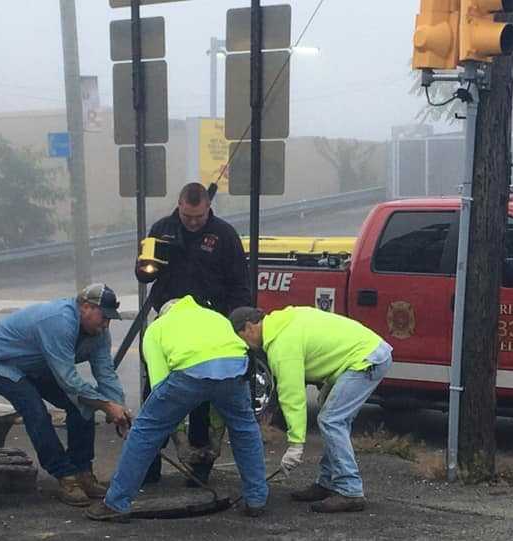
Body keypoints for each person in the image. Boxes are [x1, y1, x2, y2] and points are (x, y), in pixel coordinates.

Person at [85, 296, 268, 521]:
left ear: (163, 314)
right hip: (235, 368)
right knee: (245, 428)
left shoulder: (157, 328)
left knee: (145, 431)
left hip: (189, 372)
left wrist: (176, 436)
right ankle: (256, 499)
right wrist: (216, 434)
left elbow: (160, 385)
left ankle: (116, 503)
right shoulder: (215, 317)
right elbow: (224, 366)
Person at [0, 283, 131, 507]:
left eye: (110, 319)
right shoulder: (59, 322)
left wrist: (118, 408)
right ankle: (65, 476)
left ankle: (83, 471)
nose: (106, 325)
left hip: (34, 366)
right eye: (103, 317)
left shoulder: (99, 334)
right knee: (35, 410)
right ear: (85, 307)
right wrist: (106, 405)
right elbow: (68, 381)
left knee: (82, 405)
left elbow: (106, 373)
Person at [138, 181, 251, 485]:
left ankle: (199, 466)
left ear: (208, 208)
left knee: (202, 398)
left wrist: (235, 324)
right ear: (179, 205)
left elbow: (240, 285)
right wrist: (150, 263)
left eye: (198, 217)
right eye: (187, 217)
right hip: (170, 322)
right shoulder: (162, 229)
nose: (192, 223)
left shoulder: (224, 235)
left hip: (208, 325)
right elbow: (143, 274)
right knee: (155, 395)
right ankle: (148, 464)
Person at [230, 305, 392, 514]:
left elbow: (292, 396)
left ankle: (350, 491)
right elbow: (324, 347)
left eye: (240, 338)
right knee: (335, 421)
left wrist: (296, 444)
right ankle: (327, 482)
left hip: (365, 359)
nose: (245, 346)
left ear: (249, 327)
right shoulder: (284, 321)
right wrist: (330, 383)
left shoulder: (282, 345)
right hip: (368, 353)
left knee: (331, 420)